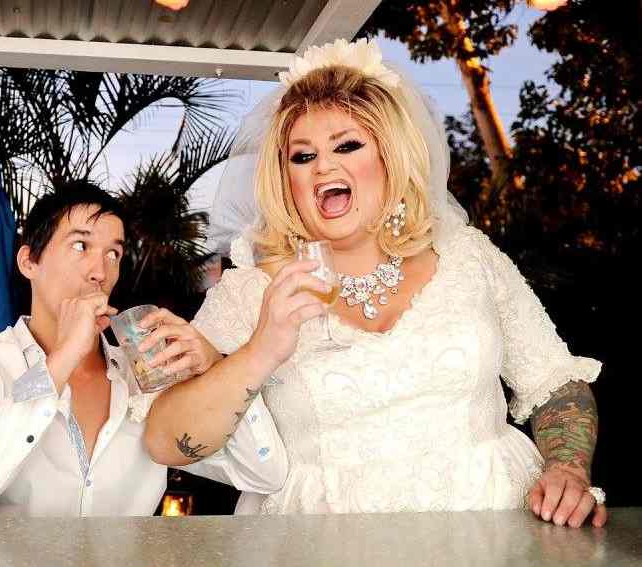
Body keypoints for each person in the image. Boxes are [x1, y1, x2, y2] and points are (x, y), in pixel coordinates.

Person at [142, 39, 607, 528]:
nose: (324, 166)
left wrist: (568, 469)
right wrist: (260, 349)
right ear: (288, 182)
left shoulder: (468, 257)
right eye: (303, 157)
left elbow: (556, 383)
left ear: (390, 158)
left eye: (347, 145)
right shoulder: (250, 294)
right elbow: (164, 441)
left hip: (495, 536)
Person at [0, 180, 286, 519]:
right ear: (28, 261)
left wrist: (214, 368)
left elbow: (262, 474)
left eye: (114, 253)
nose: (101, 271)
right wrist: (61, 360)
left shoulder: (146, 373)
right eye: (81, 246)